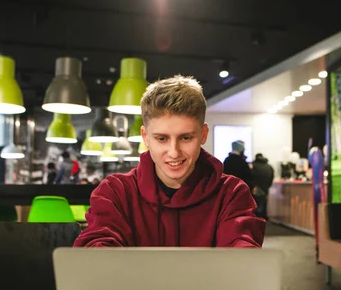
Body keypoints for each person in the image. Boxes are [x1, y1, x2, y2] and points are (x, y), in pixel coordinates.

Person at [74, 75, 265, 247]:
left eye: (186, 138)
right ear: (145, 137)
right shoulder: (115, 192)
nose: (174, 153)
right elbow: (96, 245)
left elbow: (242, 251)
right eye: (162, 139)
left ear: (203, 134)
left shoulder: (231, 193)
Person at [251, 153, 274, 219]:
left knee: (255, 204)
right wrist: (268, 186)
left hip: (255, 188)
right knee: (263, 203)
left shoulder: (253, 165)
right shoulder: (268, 166)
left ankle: (256, 219)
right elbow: (271, 177)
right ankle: (263, 218)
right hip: (265, 188)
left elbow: (250, 177)